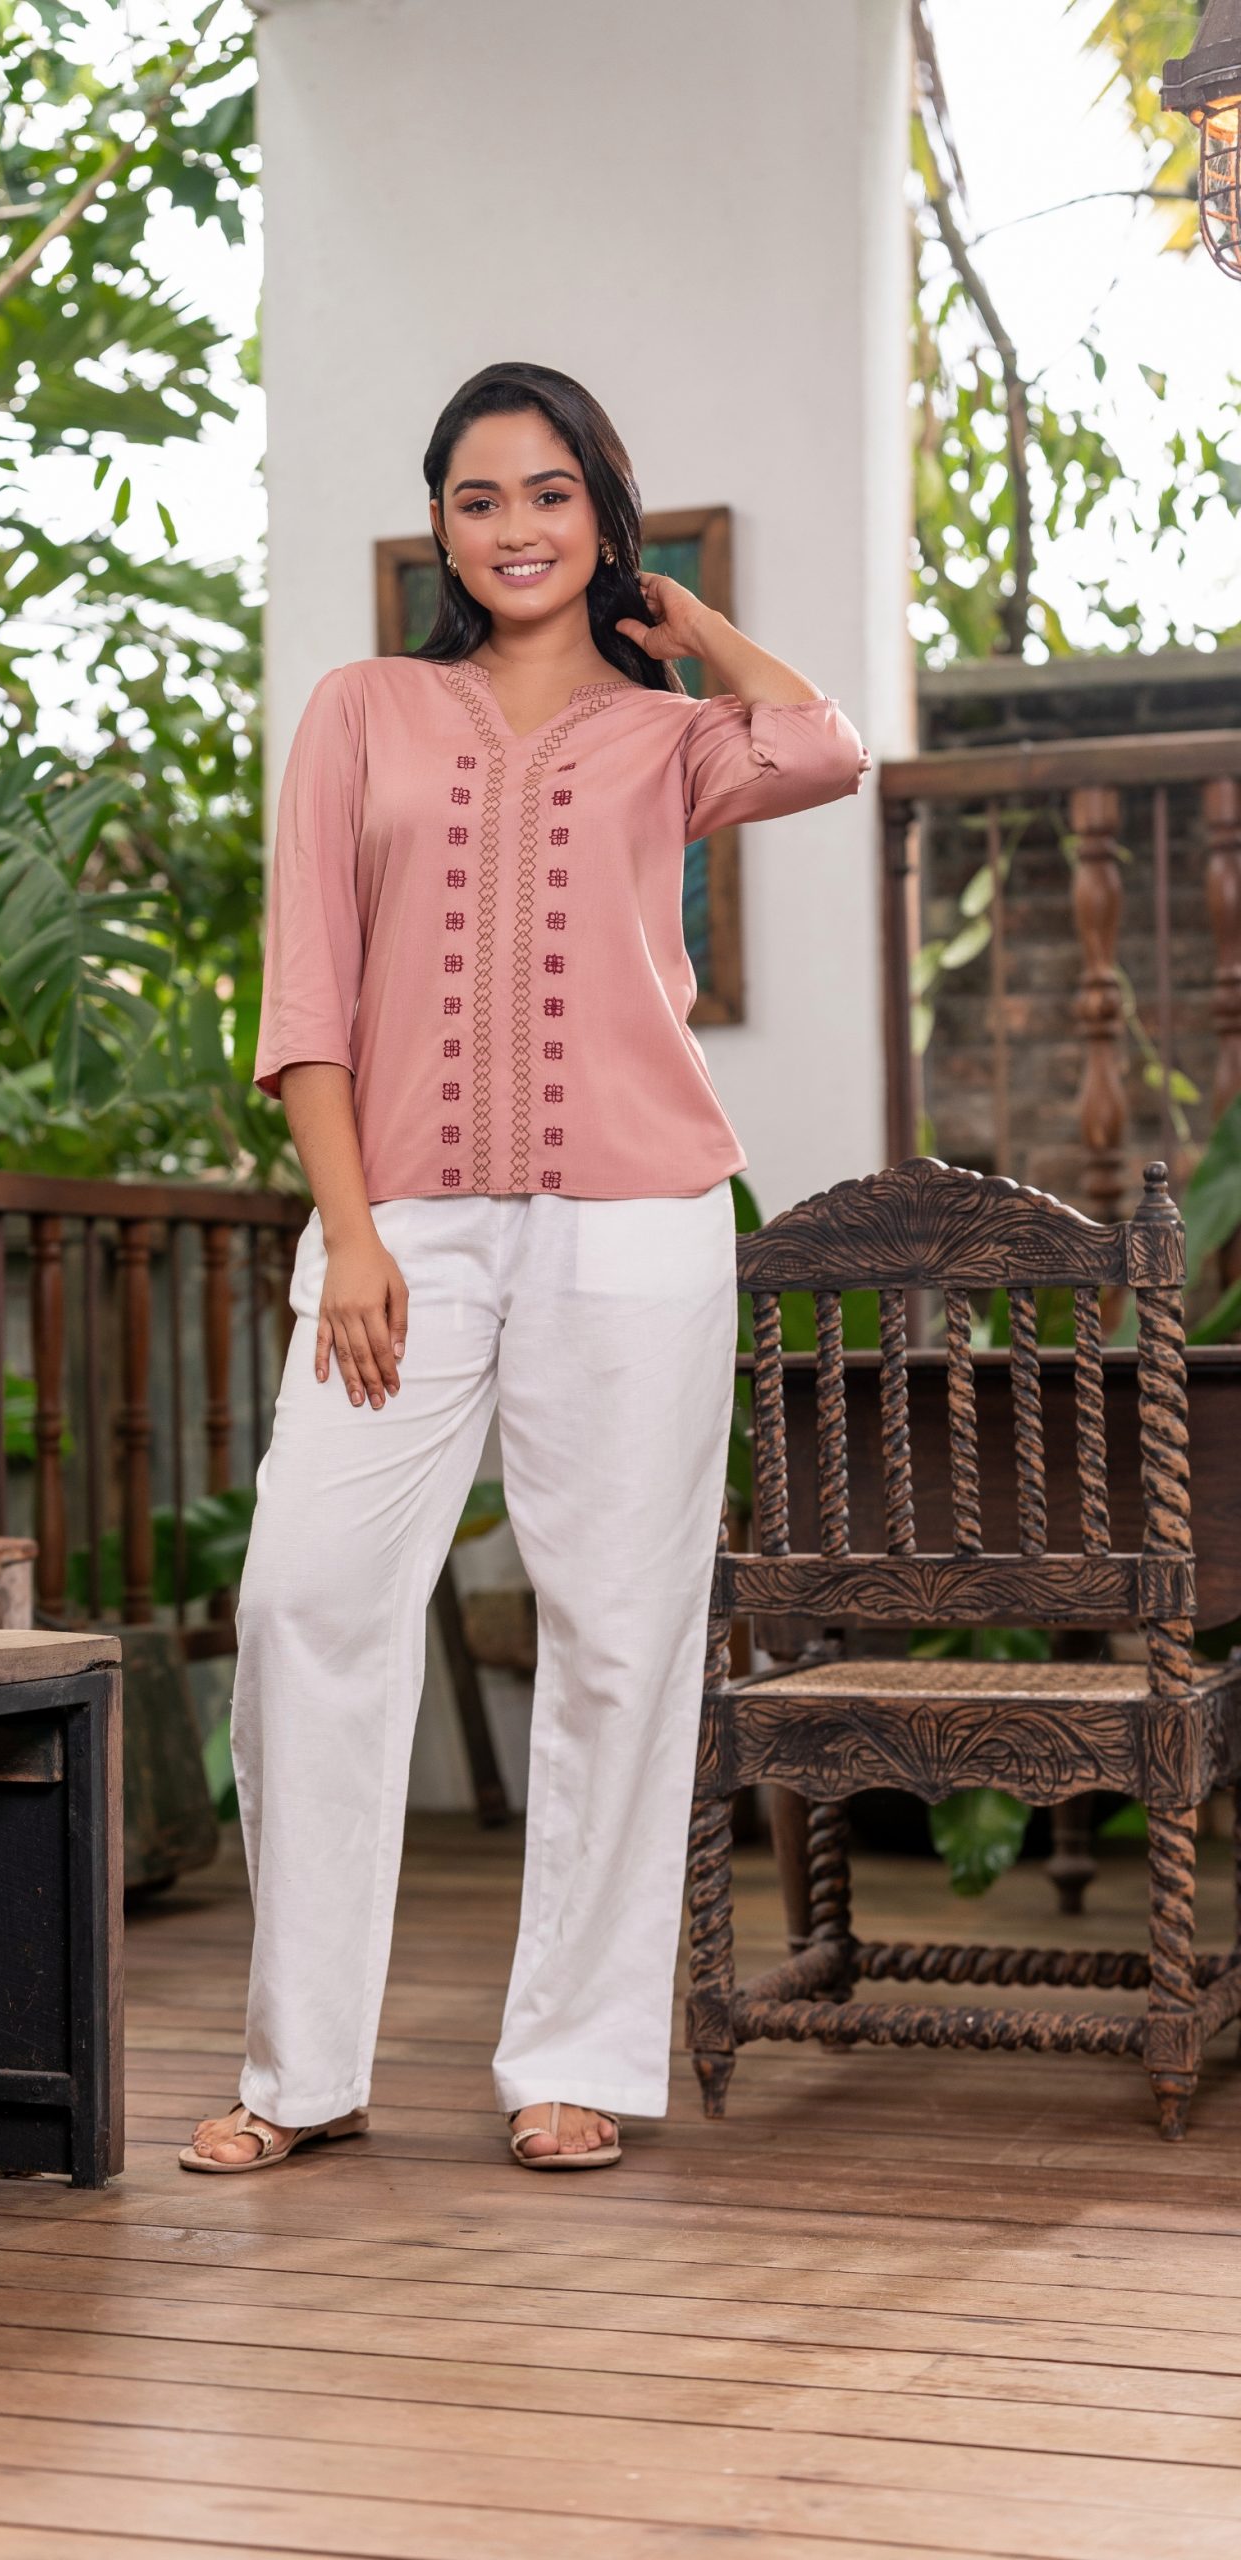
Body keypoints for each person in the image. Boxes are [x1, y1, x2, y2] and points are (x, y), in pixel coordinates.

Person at [180, 359, 869, 2178]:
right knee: (307, 1602)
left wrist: (690, 626)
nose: (514, 529)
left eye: (551, 494)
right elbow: (308, 988)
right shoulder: (364, 710)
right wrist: (350, 1232)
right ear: (440, 525)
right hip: (404, 1222)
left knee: (620, 1630)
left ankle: (574, 2060)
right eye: (479, 499)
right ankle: (301, 2072)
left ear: (602, 517)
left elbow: (825, 747)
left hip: (640, 1220)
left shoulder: (667, 733)